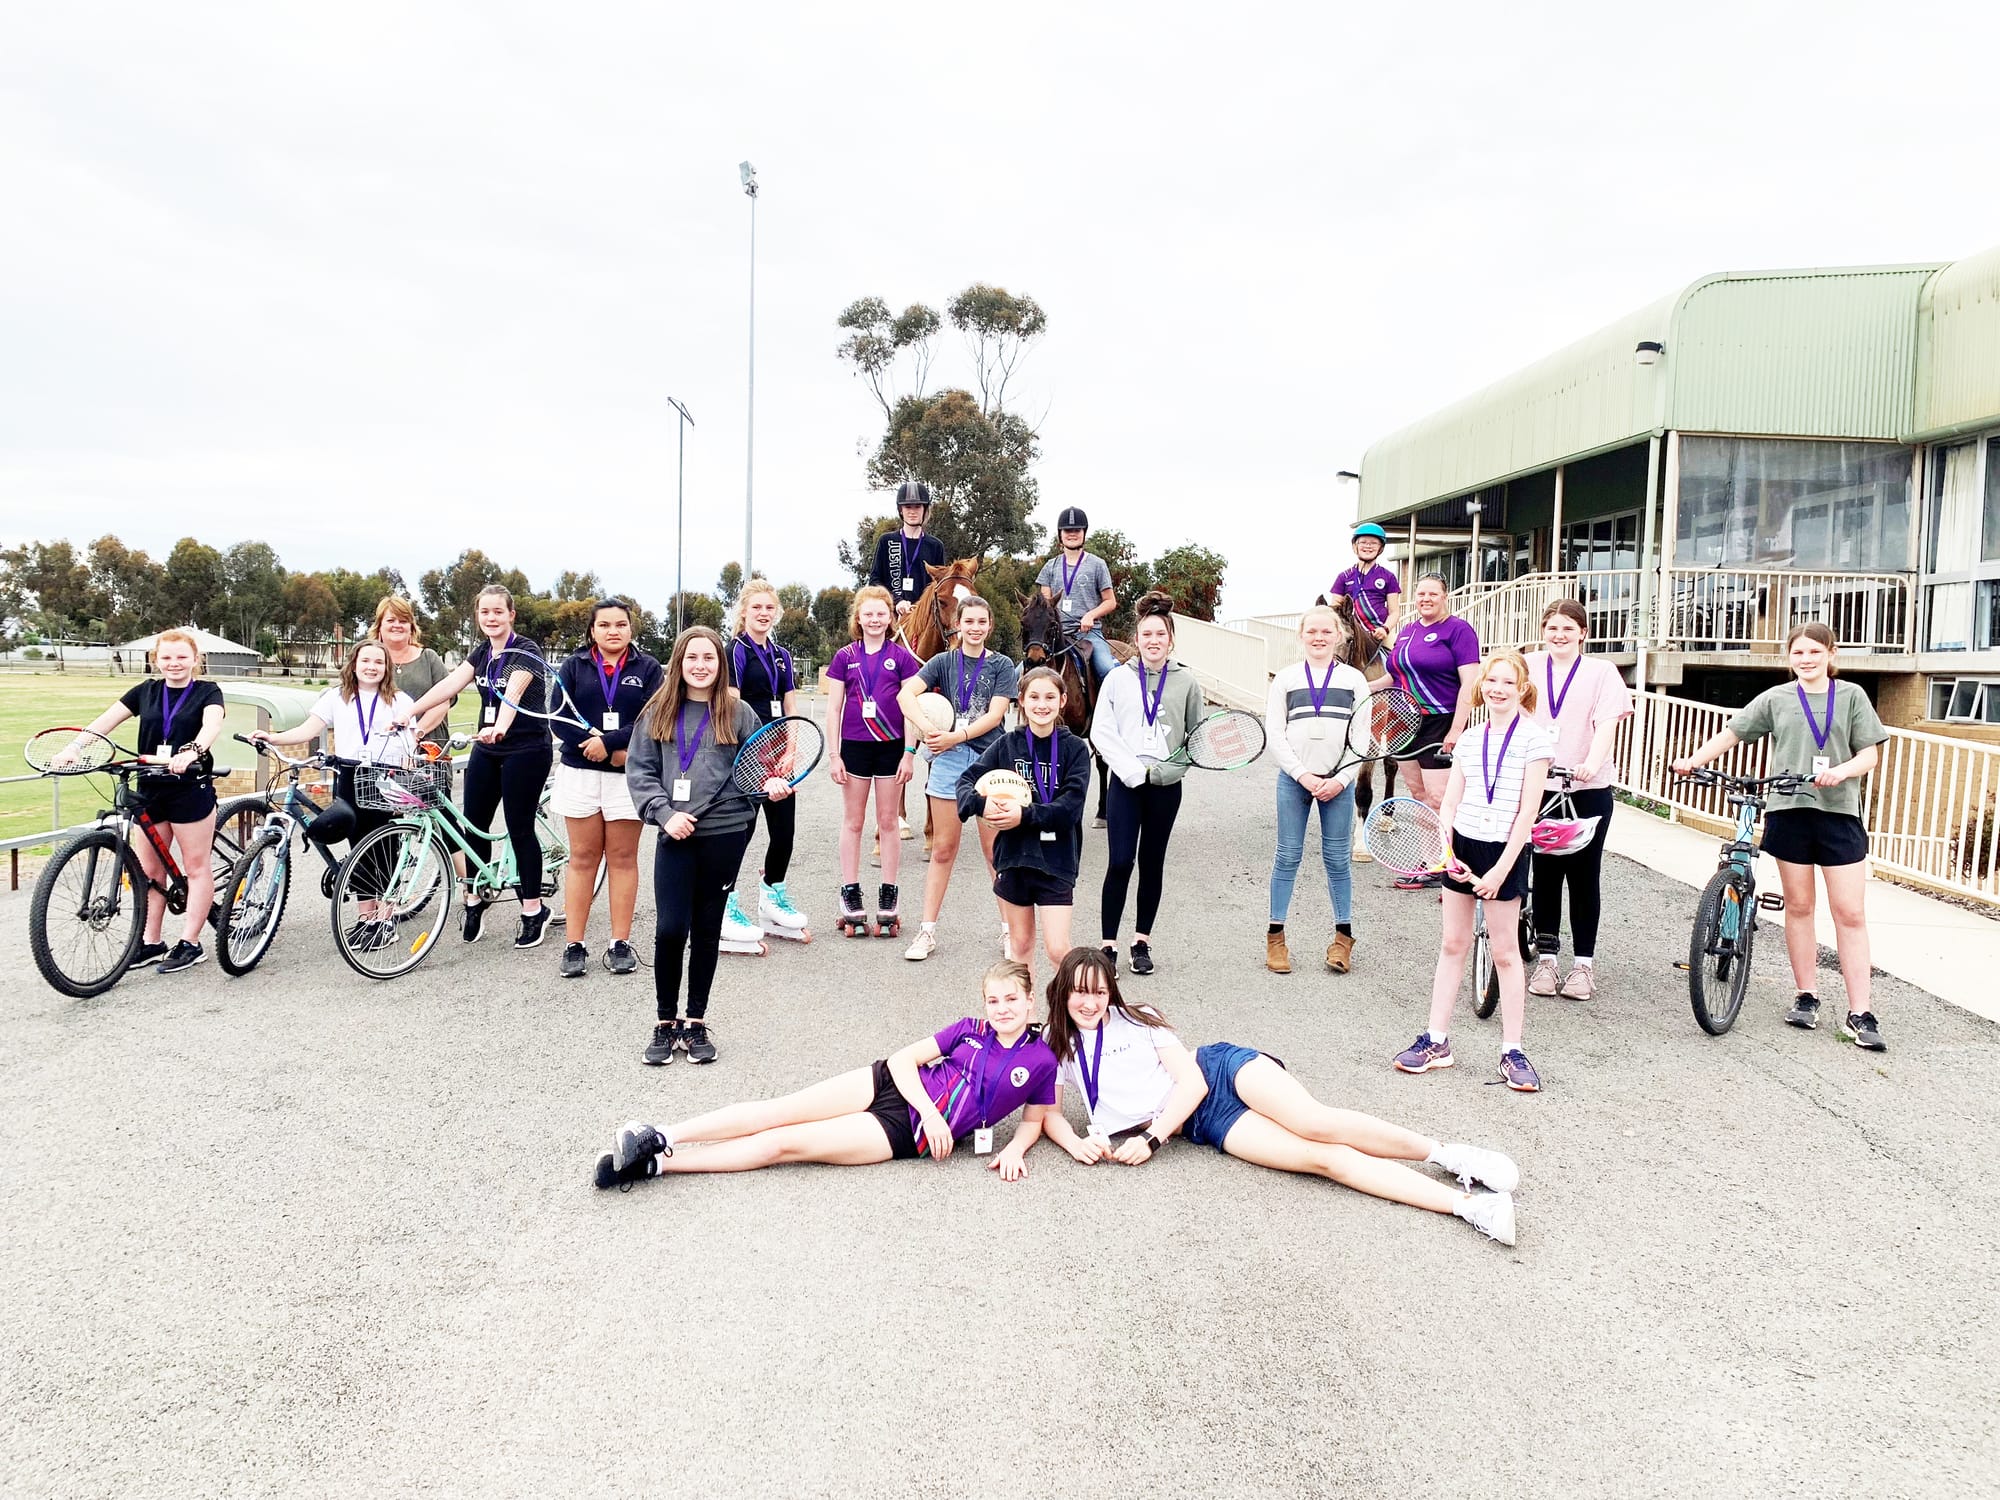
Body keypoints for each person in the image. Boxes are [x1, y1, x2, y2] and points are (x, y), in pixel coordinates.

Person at [1035, 949, 1520, 1244]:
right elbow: (1051, 1113)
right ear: (1064, 993)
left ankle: (1449, 1154)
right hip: (1207, 1124)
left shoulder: (1140, 1016)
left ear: (1111, 992)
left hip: (1219, 1072)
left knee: (1313, 1121)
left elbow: (1194, 1083)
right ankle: (1468, 1206)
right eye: (1080, 992)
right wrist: (1076, 1143)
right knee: (1322, 1159)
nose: (1090, 1002)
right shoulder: (1056, 1045)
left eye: (1099, 992)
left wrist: (1153, 1139)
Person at [592, 959, 1056, 1189]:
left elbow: (1036, 1120)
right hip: (894, 1087)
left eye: (1012, 1000)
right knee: (778, 1111)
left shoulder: (1041, 1061)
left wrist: (1016, 1148)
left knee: (785, 1144)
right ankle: (659, 1133)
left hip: (902, 1132)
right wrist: (934, 1115)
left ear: (1031, 1002)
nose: (1002, 1009)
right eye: (994, 1000)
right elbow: (901, 1061)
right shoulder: (969, 1028)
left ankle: (659, 1163)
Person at [1671, 622, 1888, 1051]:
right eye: (1798, 653)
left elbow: (1870, 754)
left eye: (1813, 652)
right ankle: (1806, 996)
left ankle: (1859, 1011)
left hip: (1838, 812)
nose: (1805, 660)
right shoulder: (1777, 698)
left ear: (1831, 653)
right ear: (1789, 658)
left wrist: (1841, 770)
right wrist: (1691, 760)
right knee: (1800, 906)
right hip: (1789, 810)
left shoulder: (1851, 697)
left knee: (1849, 912)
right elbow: (1734, 732)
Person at [1394, 649, 1553, 1093]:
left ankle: (1512, 1051)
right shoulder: (1468, 737)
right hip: (1463, 845)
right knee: (1452, 943)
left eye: (1507, 682)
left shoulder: (1535, 741)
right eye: (1491, 681)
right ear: (1482, 687)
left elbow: (1527, 814)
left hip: (1504, 850)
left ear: (1521, 688)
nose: (1497, 689)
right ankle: (1436, 1042)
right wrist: (1446, 849)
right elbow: (1449, 802)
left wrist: (1501, 870)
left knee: (1505, 952)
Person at [625, 626, 777, 1066]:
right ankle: (664, 1021)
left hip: (726, 835)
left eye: (709, 658)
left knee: (707, 930)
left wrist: (772, 785)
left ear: (720, 663)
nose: (700, 665)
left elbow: (758, 768)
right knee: (670, 929)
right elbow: (640, 771)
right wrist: (664, 813)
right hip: (674, 833)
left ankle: (695, 1021)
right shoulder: (657, 710)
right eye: (692, 657)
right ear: (679, 661)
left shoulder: (739, 711)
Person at [398, 584, 554, 948]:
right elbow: (452, 684)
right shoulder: (482, 651)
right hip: (488, 747)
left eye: (498, 612)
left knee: (519, 826)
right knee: (473, 826)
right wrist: (411, 711)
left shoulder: (526, 650)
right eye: (485, 613)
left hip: (525, 746)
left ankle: (533, 909)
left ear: (511, 614)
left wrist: (500, 726)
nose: (491, 619)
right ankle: (474, 898)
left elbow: (512, 693)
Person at [68, 628, 226, 973]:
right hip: (150, 785)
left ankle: (190, 943)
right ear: (156, 660)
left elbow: (212, 725)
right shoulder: (146, 692)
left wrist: (193, 750)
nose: (174, 664)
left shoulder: (207, 692)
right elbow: (105, 722)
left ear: (195, 660)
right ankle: (152, 942)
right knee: (151, 870)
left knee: (196, 867)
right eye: (166, 658)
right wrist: (75, 747)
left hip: (188, 785)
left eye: (182, 657)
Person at [249, 639, 416, 942]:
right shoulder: (336, 697)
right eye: (365, 661)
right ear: (354, 663)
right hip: (349, 773)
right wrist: (274, 739)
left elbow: (410, 741)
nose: (371, 667)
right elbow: (309, 729)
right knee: (359, 845)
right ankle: (367, 919)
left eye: (378, 662)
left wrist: (404, 778)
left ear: (387, 668)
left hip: (384, 775)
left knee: (383, 846)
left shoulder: (401, 700)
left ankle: (386, 919)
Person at [895, 592, 1017, 961]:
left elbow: (995, 717)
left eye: (982, 622)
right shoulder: (941, 662)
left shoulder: (1002, 666)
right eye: (969, 622)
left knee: (994, 852)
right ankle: (927, 932)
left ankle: (1009, 932)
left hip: (990, 761)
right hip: (948, 761)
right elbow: (905, 694)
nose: (975, 628)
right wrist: (925, 727)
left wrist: (956, 735)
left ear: (989, 625)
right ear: (957, 625)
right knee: (944, 850)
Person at [1089, 591, 1204, 976]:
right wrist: (1133, 772)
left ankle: (1142, 941)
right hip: (1126, 783)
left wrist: (1169, 771)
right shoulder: (1118, 679)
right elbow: (1101, 732)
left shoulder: (1187, 682)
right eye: (1146, 634)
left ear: (1171, 640)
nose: (1153, 641)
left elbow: (1195, 739)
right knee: (1120, 861)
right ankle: (1108, 947)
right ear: (1136, 640)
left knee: (1152, 863)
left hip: (1166, 787)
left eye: (1160, 634)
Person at [1522, 599, 1632, 1001]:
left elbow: (1606, 725)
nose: (1559, 635)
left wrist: (1590, 762)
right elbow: (1513, 713)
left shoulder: (1602, 672)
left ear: (1583, 633)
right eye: (1552, 627)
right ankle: (1548, 959)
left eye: (1569, 628)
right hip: (1539, 785)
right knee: (1545, 872)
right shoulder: (1530, 666)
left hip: (1586, 788)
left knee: (1584, 875)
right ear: (1543, 630)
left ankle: (1583, 966)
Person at [550, 599, 663, 980]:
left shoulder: (647, 668)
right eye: (604, 625)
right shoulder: (574, 665)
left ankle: (619, 943)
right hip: (581, 772)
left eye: (620, 624)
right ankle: (574, 945)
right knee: (582, 858)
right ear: (592, 630)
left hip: (627, 777)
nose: (613, 631)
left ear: (631, 629)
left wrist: (612, 743)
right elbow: (559, 718)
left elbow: (652, 717)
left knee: (622, 858)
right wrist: (598, 749)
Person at [956, 666, 1093, 980]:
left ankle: (1071, 1022)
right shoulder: (1007, 745)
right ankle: (1026, 1025)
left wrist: (1024, 815)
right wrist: (981, 804)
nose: (1041, 704)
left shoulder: (1074, 749)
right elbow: (966, 781)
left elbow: (1071, 807)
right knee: (1020, 947)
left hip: (1057, 860)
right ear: (1021, 701)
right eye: (1033, 696)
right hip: (1015, 858)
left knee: (1058, 949)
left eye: (1049, 697)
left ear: (1062, 701)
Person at [1263, 603, 1370, 975]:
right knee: (1287, 856)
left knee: (1338, 861)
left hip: (1338, 783)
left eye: (1327, 631)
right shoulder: (1287, 679)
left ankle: (1343, 940)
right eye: (1312, 631)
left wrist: (1340, 779)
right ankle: (1276, 938)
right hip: (1295, 781)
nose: (1319, 637)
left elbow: (1361, 738)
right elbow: (1275, 733)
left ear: (1339, 635)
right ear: (1301, 636)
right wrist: (1302, 776)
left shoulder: (1354, 680)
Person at [823, 586, 924, 938]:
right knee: (853, 821)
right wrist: (834, 756)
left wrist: (910, 753)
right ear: (858, 618)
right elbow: (834, 708)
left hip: (891, 747)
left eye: (881, 613)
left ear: (890, 618)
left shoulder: (903, 658)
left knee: (888, 821)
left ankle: (888, 891)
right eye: (868, 614)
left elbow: (913, 709)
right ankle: (850, 891)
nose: (875, 619)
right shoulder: (843, 657)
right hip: (854, 747)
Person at [1374, 572, 1481, 886]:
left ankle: (1454, 866)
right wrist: (1357, 686)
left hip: (1441, 720)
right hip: (1406, 722)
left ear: (1444, 596)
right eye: (1421, 594)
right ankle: (1430, 863)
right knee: (1420, 794)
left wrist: (1457, 728)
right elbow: (1394, 678)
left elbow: (1470, 684)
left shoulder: (1458, 631)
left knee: (1440, 797)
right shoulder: (1407, 632)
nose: (1426, 599)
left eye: (1433, 594)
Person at [728, 578, 809, 943]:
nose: (763, 613)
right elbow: (733, 707)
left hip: (779, 755)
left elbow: (789, 705)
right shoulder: (735, 650)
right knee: (740, 834)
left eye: (769, 608)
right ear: (744, 611)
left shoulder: (782, 655)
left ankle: (772, 896)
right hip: (748, 755)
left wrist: (790, 750)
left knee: (784, 833)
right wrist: (755, 758)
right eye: (756, 607)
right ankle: (724, 901)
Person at [1036, 507, 1119, 684]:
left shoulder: (1097, 564)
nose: (1072, 534)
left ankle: (1110, 710)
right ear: (1060, 534)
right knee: (1017, 674)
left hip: (1088, 633)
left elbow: (1110, 601)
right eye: (1067, 530)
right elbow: (1045, 605)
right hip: (1055, 635)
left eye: (1077, 530)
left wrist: (1090, 615)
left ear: (1084, 533)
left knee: (1107, 670)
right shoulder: (1050, 567)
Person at [369, 595, 454, 755]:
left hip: (428, 749)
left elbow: (444, 701)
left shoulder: (429, 658)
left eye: (403, 621)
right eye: (391, 620)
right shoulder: (370, 663)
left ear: (411, 627)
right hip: (383, 750)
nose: (397, 625)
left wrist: (414, 735)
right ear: (379, 626)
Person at [868, 479, 949, 628]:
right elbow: (875, 580)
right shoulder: (887, 541)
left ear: (925, 509)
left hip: (924, 619)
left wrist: (920, 607)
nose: (912, 511)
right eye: (907, 507)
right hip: (890, 617)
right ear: (900, 510)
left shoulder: (935, 546)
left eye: (917, 506)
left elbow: (940, 586)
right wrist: (896, 601)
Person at [1328, 522, 1402, 647]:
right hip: (1351, 633)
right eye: (1363, 542)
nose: (1368, 546)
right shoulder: (1343, 577)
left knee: (1395, 662)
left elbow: (1394, 612)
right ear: (1354, 546)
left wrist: (1385, 628)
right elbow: (1335, 610)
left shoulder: (1388, 576)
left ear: (1381, 548)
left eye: (1373, 543)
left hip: (1379, 632)